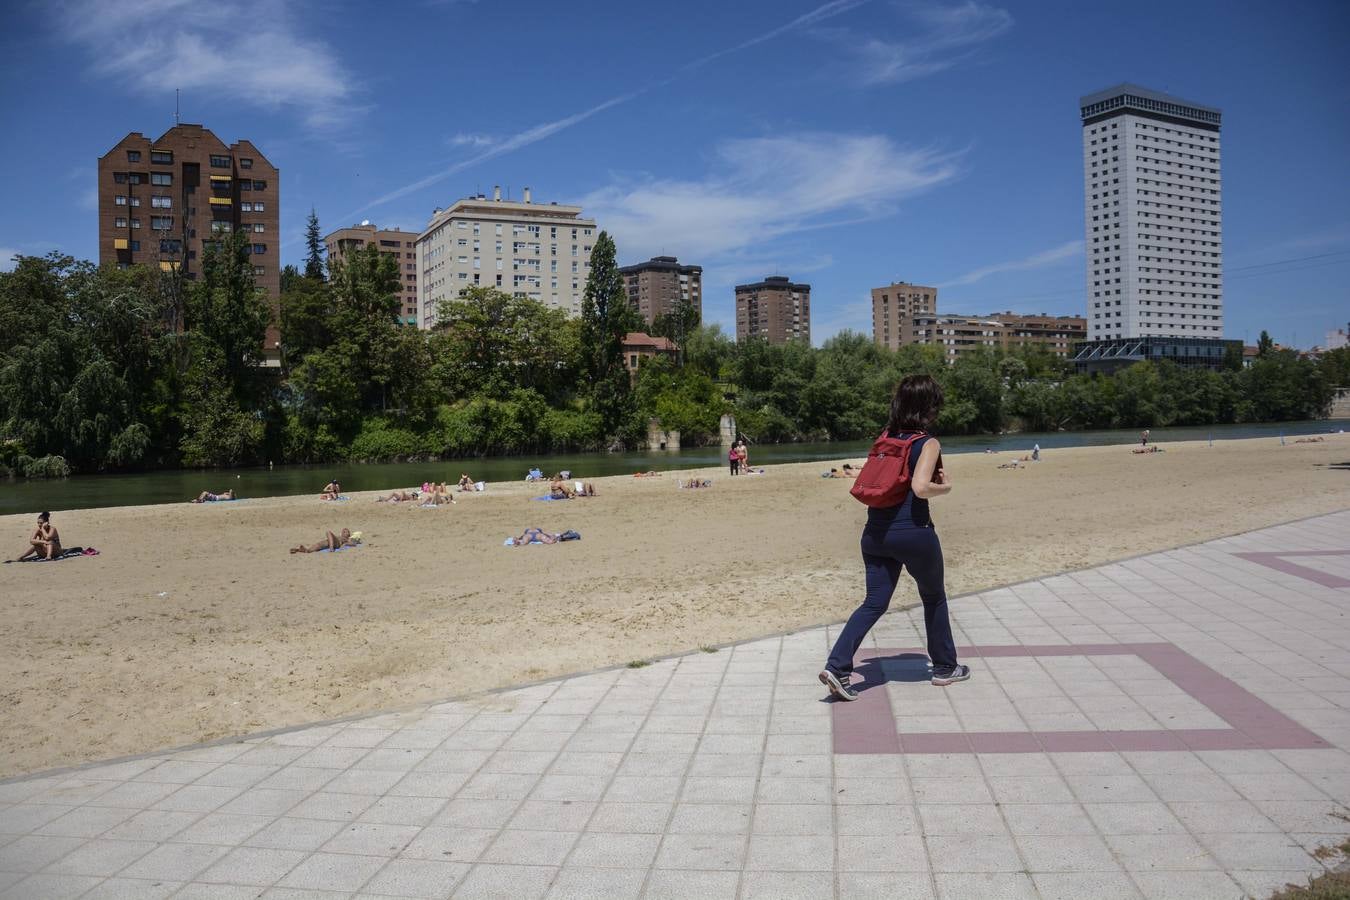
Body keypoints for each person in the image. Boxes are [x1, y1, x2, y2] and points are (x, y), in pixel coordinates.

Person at [820, 374, 969, 702]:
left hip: (874, 534)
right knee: (933, 597)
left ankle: (837, 666)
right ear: (931, 406)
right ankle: (945, 668)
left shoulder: (886, 438)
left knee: (874, 602)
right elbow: (919, 488)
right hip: (913, 533)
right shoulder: (926, 442)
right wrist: (945, 486)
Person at [291, 528, 358, 554]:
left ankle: (331, 548)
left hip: (337, 543)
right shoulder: (339, 536)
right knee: (320, 544)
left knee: (328, 532)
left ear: (349, 534)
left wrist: (346, 544)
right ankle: (303, 550)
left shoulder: (348, 538)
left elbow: (354, 543)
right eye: (343, 531)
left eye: (346, 531)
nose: (344, 532)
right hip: (329, 542)